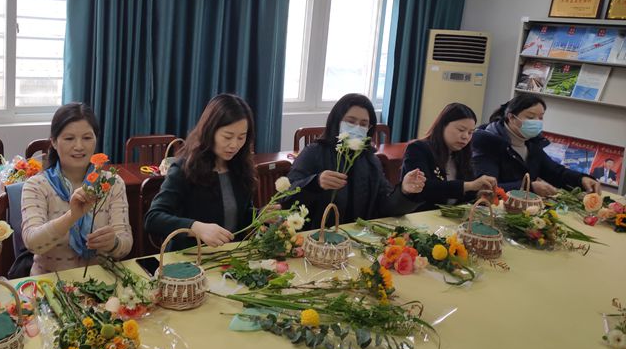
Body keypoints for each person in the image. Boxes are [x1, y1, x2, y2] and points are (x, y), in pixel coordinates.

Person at [21, 103, 132, 275]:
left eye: (87, 138)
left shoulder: (112, 184)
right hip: (50, 284)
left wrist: (113, 243)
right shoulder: (36, 186)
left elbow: (125, 245)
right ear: (54, 142)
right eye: (69, 138)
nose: (79, 146)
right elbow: (33, 244)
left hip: (101, 282)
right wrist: (72, 216)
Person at [288, 93, 426, 227]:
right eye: (350, 121)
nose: (357, 127)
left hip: (359, 235)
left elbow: (385, 206)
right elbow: (286, 197)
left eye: (363, 124)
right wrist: (316, 182)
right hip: (318, 236)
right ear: (337, 121)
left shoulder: (370, 160)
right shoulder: (314, 152)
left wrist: (404, 191)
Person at [144, 94, 256, 251]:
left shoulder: (240, 167)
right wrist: (195, 227)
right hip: (190, 258)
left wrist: (261, 216)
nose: (234, 145)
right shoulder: (185, 168)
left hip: (228, 255)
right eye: (227, 137)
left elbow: (239, 215)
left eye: (241, 137)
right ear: (210, 131)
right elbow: (153, 218)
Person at [471, 93, 600, 195]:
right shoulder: (487, 142)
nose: (537, 122)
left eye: (541, 117)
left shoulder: (532, 143)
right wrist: (528, 187)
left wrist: (581, 179)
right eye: (530, 117)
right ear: (511, 117)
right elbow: (486, 188)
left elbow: (555, 172)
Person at [401, 103, 497, 210]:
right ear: (443, 126)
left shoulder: (463, 154)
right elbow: (424, 188)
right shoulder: (418, 149)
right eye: (461, 130)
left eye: (470, 132)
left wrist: (479, 195)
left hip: (450, 217)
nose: (465, 136)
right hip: (419, 215)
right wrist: (470, 185)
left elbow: (465, 195)